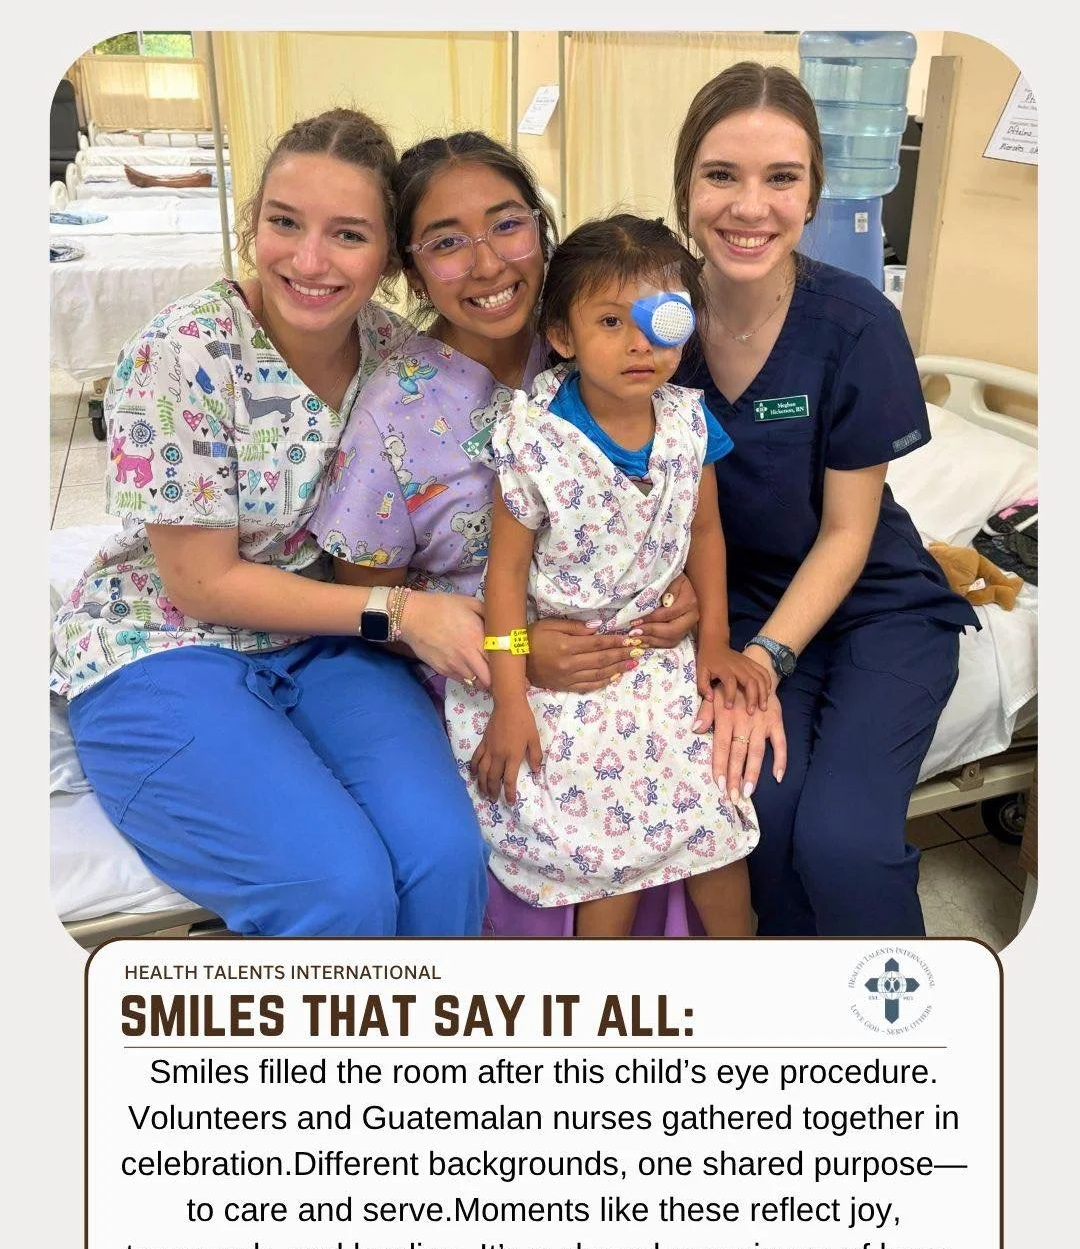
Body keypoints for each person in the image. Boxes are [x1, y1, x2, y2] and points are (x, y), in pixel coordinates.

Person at [50, 108, 489, 939]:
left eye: (348, 235)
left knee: (446, 858)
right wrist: (400, 612)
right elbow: (202, 584)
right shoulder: (183, 353)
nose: (309, 260)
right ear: (252, 224)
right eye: (284, 223)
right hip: (162, 646)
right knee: (339, 889)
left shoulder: (398, 359)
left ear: (390, 256)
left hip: (324, 645)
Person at [309, 132, 705, 937]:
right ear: (411, 269)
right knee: (554, 792)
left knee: (691, 780)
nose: (487, 264)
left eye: (507, 224)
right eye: (447, 243)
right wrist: (518, 650)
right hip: (473, 667)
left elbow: (668, 488)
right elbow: (367, 603)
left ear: (542, 231)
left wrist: (681, 583)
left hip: (619, 649)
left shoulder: (599, 347)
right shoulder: (397, 408)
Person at [671, 63, 979, 937]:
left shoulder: (852, 324)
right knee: (756, 823)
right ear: (685, 182)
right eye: (722, 174)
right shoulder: (655, 326)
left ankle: (906, 1040)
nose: (749, 206)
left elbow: (848, 532)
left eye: (782, 178)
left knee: (844, 840)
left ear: (812, 196)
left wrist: (763, 660)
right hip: (739, 608)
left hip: (874, 605)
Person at [450, 215, 766, 935]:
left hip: (660, 659)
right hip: (567, 667)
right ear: (563, 337)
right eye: (611, 321)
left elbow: (706, 534)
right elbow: (503, 582)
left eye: (660, 320)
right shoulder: (534, 442)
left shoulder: (688, 425)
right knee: (607, 843)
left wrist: (714, 641)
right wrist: (510, 695)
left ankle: (748, 973)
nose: (640, 343)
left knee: (716, 814)